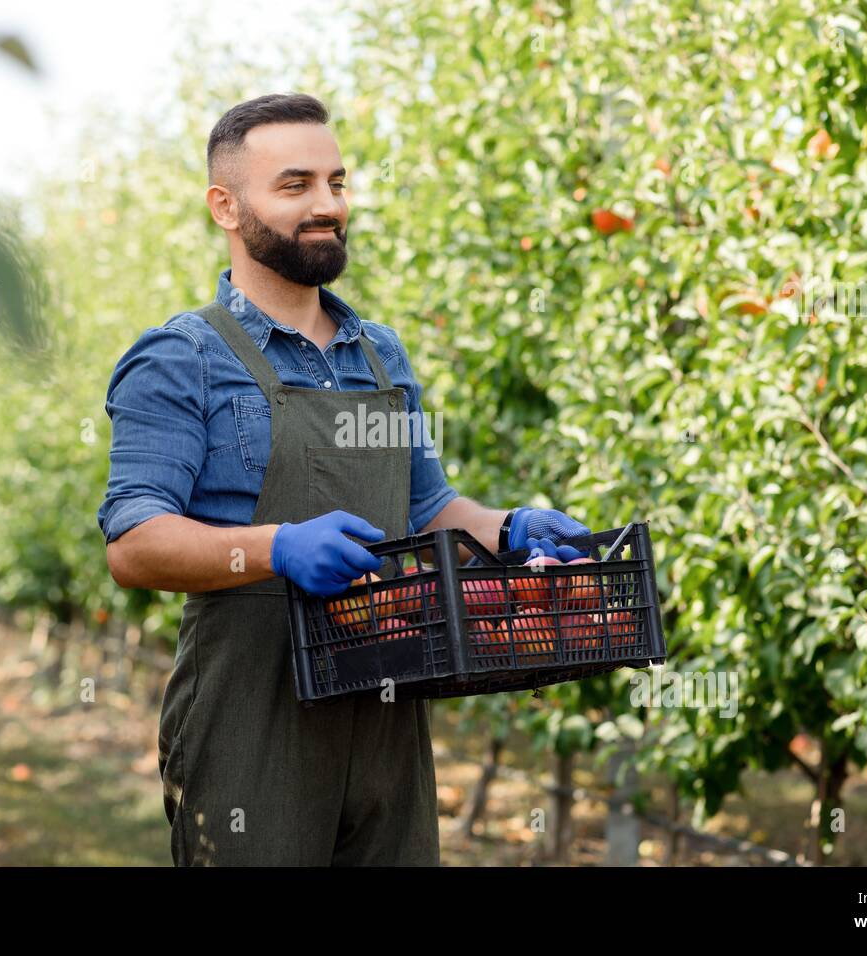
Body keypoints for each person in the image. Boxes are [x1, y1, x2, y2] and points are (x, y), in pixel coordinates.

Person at [98, 92, 590, 866]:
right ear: (225, 206)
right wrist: (275, 549)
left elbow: (428, 506)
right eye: (295, 186)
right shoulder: (181, 357)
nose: (327, 205)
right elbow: (133, 543)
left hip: (387, 696)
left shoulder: (380, 355)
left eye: (337, 182)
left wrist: (507, 530)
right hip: (253, 713)